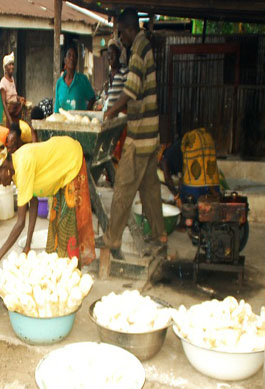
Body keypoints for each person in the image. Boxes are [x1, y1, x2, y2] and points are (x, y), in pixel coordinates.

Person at [101, 8, 165, 259]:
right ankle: (160, 234)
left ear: (129, 30)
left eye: (121, 34)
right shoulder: (145, 46)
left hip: (139, 137)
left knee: (123, 187)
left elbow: (131, 90)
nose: (120, 39)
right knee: (150, 188)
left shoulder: (138, 49)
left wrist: (112, 111)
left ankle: (112, 238)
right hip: (151, 134)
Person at [0, 133, 95, 268]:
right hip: (61, 166)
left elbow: (20, 223)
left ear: (4, 168)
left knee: (66, 228)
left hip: (70, 159)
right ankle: (64, 268)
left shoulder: (22, 166)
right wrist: (28, 244)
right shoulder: (15, 168)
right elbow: (34, 203)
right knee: (55, 230)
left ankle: (73, 271)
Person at [159, 128, 221, 205]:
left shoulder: (165, 157)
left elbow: (167, 178)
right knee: (213, 202)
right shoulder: (177, 149)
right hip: (207, 141)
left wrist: (176, 195)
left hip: (194, 187)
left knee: (191, 204)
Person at [54, 46, 96, 113]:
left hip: (79, 122)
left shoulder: (83, 80)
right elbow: (57, 108)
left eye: (74, 56)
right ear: (65, 60)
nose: (72, 58)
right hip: (63, 123)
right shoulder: (59, 83)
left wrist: (85, 113)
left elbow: (92, 98)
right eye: (69, 55)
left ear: (76, 60)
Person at [0, 52, 25, 127]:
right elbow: (4, 103)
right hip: (9, 113)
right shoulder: (3, 83)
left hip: (15, 111)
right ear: (5, 67)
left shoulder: (12, 79)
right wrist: (10, 120)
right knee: (9, 134)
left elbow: (13, 95)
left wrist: (20, 98)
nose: (12, 67)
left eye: (12, 64)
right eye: (9, 65)